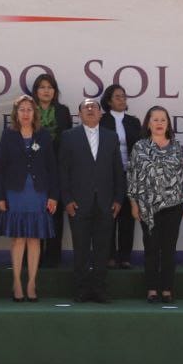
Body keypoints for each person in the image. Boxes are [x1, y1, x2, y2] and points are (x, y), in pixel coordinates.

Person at [59, 98, 125, 303]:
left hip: (106, 203)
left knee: (102, 249)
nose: (90, 109)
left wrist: (118, 199)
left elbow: (118, 171)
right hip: (78, 203)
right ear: (79, 114)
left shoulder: (111, 137)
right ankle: (81, 289)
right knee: (80, 249)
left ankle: (99, 289)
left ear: (100, 114)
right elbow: (63, 171)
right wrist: (67, 199)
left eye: (94, 107)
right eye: (85, 107)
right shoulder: (69, 137)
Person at [0, 94, 57, 302]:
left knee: (34, 238)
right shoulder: (8, 135)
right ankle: (17, 282)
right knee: (19, 238)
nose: (26, 113)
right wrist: (0, 196)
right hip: (15, 192)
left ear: (35, 113)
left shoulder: (44, 136)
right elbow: (1, 168)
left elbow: (52, 168)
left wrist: (53, 196)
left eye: (29, 109)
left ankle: (31, 283)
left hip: (39, 192)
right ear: (16, 113)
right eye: (22, 109)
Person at [128, 106, 183, 304]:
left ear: (168, 124)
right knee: (151, 248)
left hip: (174, 205)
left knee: (169, 249)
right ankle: (151, 289)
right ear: (148, 123)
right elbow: (132, 177)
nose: (159, 123)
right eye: (155, 119)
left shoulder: (177, 146)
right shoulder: (139, 147)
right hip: (147, 207)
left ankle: (166, 288)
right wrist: (133, 203)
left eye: (163, 120)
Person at [31, 72, 72, 268]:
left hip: (58, 166)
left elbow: (69, 139)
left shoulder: (63, 111)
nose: (46, 91)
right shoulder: (29, 110)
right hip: (34, 167)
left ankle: (53, 256)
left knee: (55, 212)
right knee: (36, 211)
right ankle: (33, 256)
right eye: (42, 87)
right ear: (36, 91)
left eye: (50, 87)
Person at [103, 84, 142, 270]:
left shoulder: (134, 122)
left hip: (130, 173)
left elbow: (141, 148)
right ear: (109, 100)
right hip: (108, 175)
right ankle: (109, 255)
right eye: (117, 97)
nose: (122, 100)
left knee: (128, 215)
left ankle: (124, 256)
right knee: (109, 214)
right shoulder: (102, 121)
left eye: (124, 96)